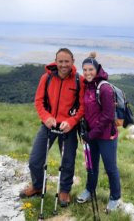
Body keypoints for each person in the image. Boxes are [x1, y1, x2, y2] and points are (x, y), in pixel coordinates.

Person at [19, 48, 85, 207]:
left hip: (68, 127)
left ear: (72, 62)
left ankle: (64, 191)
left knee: (68, 161)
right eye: (60, 61)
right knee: (35, 160)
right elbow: (39, 101)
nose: (63, 65)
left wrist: (72, 121)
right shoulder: (46, 78)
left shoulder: (79, 80)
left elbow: (82, 106)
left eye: (67, 61)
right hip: (48, 125)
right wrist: (46, 117)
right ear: (56, 62)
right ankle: (37, 186)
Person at [77, 52, 121, 212]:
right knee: (91, 166)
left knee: (110, 168)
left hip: (106, 136)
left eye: (90, 69)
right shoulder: (87, 86)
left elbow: (108, 116)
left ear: (97, 69)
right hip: (91, 135)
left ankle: (115, 197)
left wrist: (91, 134)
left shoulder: (105, 89)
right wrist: (83, 129)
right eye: (85, 70)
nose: (87, 73)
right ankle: (90, 189)